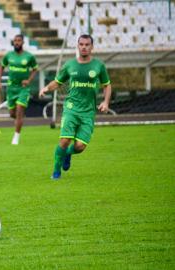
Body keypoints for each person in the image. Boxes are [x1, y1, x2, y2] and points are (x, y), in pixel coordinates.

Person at [39, 34, 112, 180]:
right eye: (81, 44)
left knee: (79, 147)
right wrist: (46, 88)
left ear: (92, 47)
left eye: (87, 44)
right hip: (71, 108)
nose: (84, 47)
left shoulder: (99, 66)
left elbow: (107, 85)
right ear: (77, 46)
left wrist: (105, 102)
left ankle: (68, 154)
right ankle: (56, 172)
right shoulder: (69, 65)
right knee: (65, 140)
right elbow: (57, 82)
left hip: (88, 111)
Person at [0, 34, 39, 145]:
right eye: (15, 40)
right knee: (12, 113)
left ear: (23, 42)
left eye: (19, 40)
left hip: (23, 88)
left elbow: (35, 69)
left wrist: (29, 80)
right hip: (11, 88)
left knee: (20, 109)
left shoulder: (29, 56)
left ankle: (16, 137)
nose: (16, 42)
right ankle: (19, 120)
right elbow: (1, 66)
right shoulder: (8, 56)